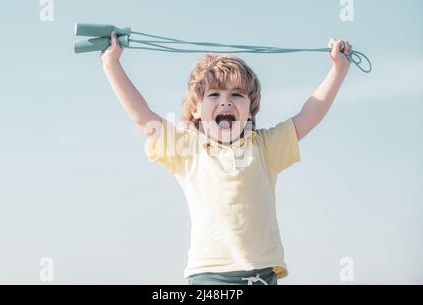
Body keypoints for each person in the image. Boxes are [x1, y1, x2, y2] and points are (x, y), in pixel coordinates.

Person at [101, 31, 353, 285]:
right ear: (196, 110)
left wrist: (338, 70)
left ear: (250, 110)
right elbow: (142, 115)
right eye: (214, 95)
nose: (226, 101)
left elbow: (310, 114)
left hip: (263, 275)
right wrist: (112, 64)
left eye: (237, 94)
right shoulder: (187, 150)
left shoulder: (265, 147)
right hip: (209, 276)